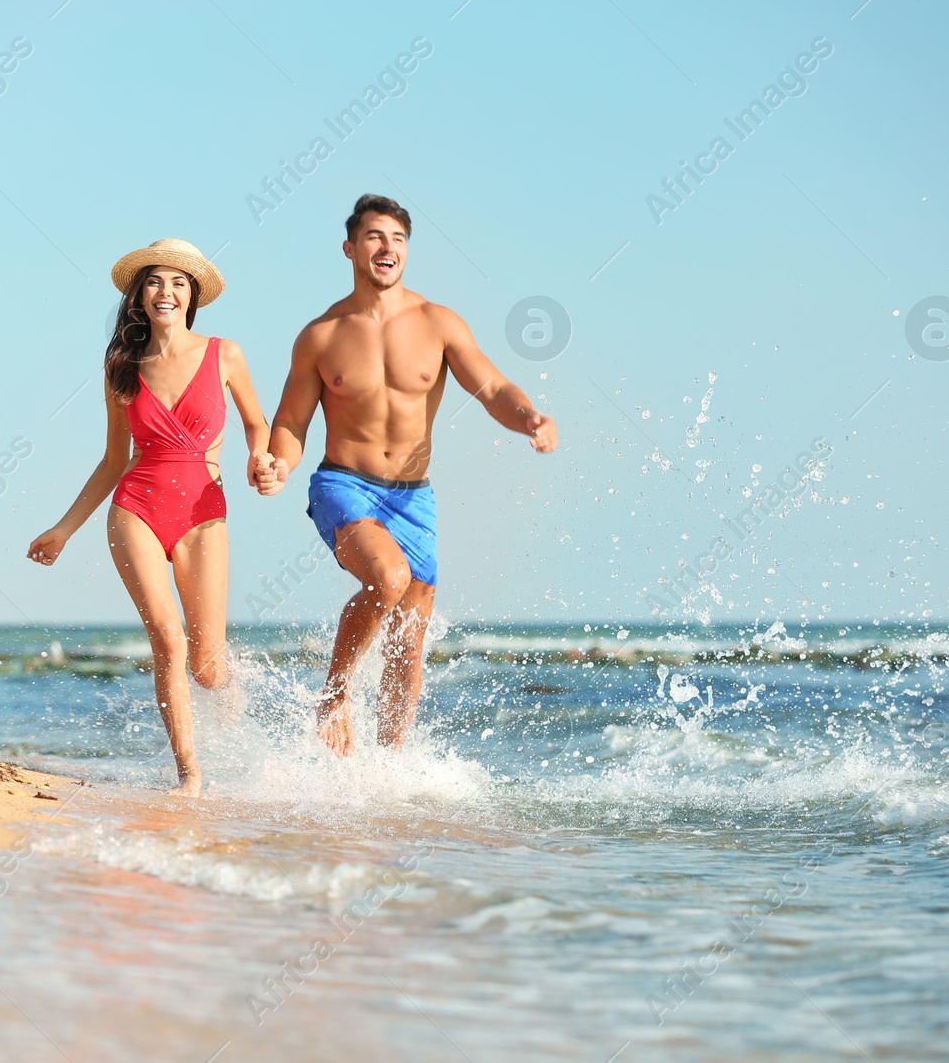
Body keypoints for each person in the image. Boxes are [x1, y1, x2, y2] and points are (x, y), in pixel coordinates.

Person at [256, 194, 558, 756]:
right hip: (344, 484)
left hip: (414, 499)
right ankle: (335, 695)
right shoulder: (321, 335)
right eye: (373, 236)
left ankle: (389, 776)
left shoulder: (438, 323)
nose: (386, 247)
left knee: (408, 643)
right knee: (387, 578)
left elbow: (491, 388)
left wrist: (529, 418)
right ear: (350, 249)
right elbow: (292, 421)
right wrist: (278, 461)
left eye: (396, 239)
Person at [29, 239, 273, 796]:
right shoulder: (122, 367)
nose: (167, 291)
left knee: (208, 667)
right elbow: (116, 459)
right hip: (136, 506)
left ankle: (234, 709)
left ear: (192, 297)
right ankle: (189, 775)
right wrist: (64, 529)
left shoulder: (224, 354)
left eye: (179, 283)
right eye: (156, 282)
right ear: (139, 296)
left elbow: (257, 425)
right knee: (167, 639)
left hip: (203, 512)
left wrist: (260, 457)